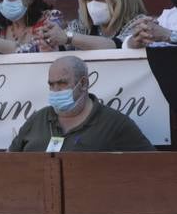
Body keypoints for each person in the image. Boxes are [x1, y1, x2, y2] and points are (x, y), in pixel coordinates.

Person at [8, 54, 154, 151]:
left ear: (83, 83)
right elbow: (8, 161)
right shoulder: (37, 119)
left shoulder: (115, 123)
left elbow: (154, 165)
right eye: (51, 84)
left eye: (62, 83)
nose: (56, 89)